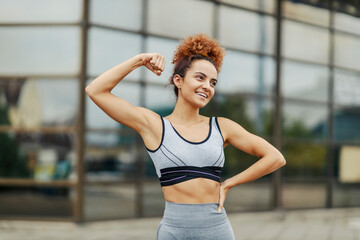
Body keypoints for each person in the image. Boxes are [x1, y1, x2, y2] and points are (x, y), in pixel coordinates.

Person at [86, 33, 286, 240]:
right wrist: (140, 60)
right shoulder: (155, 126)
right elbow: (96, 91)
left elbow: (275, 158)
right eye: (200, 77)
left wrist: (228, 184)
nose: (207, 86)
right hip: (174, 231)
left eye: (213, 82)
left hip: (217, 229)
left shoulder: (222, 127)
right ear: (178, 81)